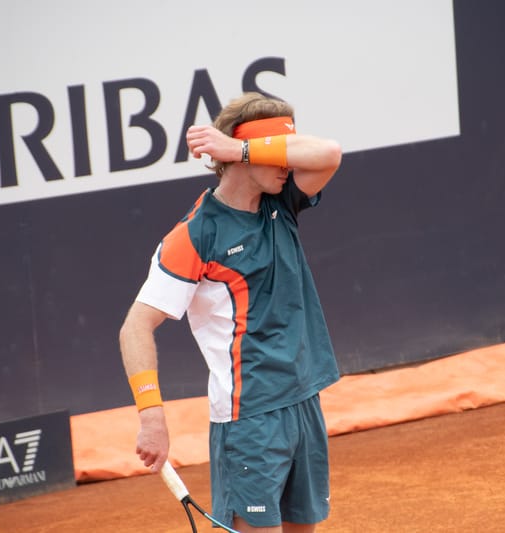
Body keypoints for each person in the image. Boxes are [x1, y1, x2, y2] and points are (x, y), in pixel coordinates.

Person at [119, 92, 342, 533]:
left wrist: (240, 149)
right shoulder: (195, 235)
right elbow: (135, 327)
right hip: (250, 420)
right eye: (274, 152)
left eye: (284, 151)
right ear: (239, 160)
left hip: (304, 401)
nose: (287, 164)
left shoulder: (282, 203)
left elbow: (329, 154)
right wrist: (151, 416)